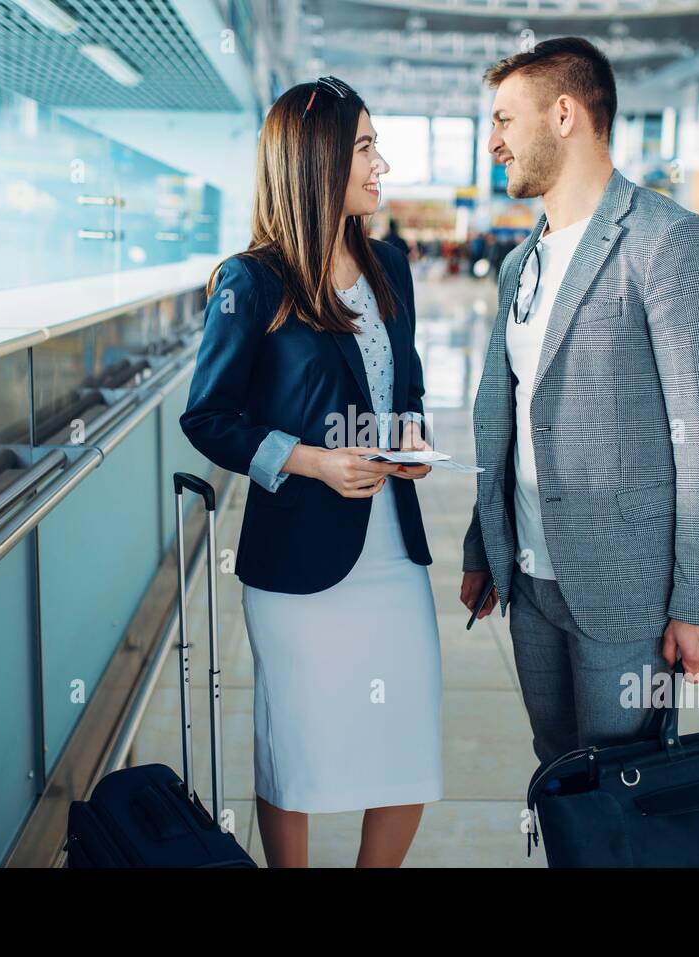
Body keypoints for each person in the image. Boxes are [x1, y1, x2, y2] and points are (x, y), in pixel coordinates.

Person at [460, 38, 699, 773]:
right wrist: (484, 542)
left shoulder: (671, 245)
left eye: (504, 120)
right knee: (562, 779)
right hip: (530, 583)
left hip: (630, 594)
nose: (492, 143)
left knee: (631, 793)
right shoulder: (520, 264)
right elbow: (515, 416)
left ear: (564, 115)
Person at [180, 76, 441, 868]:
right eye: (365, 146)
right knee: (295, 744)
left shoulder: (389, 264)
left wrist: (412, 440)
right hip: (296, 561)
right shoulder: (252, 281)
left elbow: (410, 383)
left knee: (408, 741)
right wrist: (312, 462)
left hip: (392, 554)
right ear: (318, 160)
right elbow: (208, 417)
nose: (381, 164)